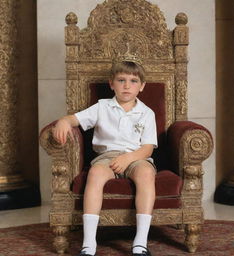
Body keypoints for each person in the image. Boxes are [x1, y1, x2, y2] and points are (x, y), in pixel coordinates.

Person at [53, 55, 158, 256]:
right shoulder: (102, 107)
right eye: (121, 80)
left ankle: (140, 242)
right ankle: (89, 243)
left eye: (133, 81)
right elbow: (74, 119)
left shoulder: (147, 113)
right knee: (95, 174)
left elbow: (147, 148)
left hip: (136, 157)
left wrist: (128, 159)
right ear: (112, 84)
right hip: (107, 157)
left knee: (146, 174)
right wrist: (64, 122)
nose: (127, 85)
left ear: (142, 86)